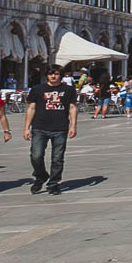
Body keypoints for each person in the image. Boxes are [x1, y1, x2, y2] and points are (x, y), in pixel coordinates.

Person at [24, 64, 79, 194]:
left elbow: (72, 108)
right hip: (39, 127)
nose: (53, 76)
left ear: (61, 75)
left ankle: (54, 183)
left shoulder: (69, 89)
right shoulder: (37, 89)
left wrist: (73, 125)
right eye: (50, 74)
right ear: (46, 76)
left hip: (60, 127)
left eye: (56, 74)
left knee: (57, 158)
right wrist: (26, 127)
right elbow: (31, 108)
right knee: (36, 156)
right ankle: (40, 176)